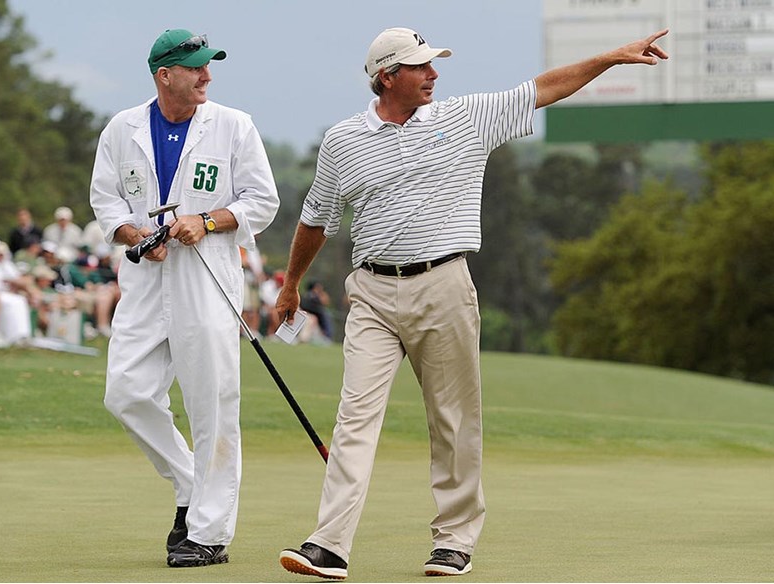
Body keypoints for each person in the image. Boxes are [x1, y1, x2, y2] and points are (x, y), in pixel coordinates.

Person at [275, 27, 670, 580]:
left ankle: (454, 540)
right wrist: (292, 283)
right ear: (387, 77)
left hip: (444, 287)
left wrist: (611, 57)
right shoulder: (344, 140)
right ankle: (329, 544)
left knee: (454, 420)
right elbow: (316, 217)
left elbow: (544, 89)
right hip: (370, 292)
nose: (434, 74)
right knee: (354, 420)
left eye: (433, 64)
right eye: (420, 67)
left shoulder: (467, 116)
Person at [89, 27, 279, 569]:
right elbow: (106, 203)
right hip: (146, 282)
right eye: (196, 67)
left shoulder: (234, 126)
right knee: (125, 393)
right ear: (164, 74)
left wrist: (209, 220)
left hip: (207, 277)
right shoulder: (121, 129)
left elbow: (262, 202)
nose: (207, 76)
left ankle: (207, 533)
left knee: (212, 405)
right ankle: (192, 484)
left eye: (208, 66)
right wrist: (132, 237)